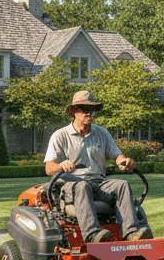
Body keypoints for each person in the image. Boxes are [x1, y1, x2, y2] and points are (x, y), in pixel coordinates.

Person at [44, 89, 153, 244]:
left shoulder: (101, 133)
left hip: (99, 183)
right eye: (85, 110)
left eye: (92, 110)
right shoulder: (60, 136)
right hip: (72, 184)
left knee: (121, 185)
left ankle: (131, 233)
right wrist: (61, 165)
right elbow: (49, 168)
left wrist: (124, 161)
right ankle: (93, 234)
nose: (90, 114)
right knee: (82, 186)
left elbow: (117, 156)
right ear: (74, 111)